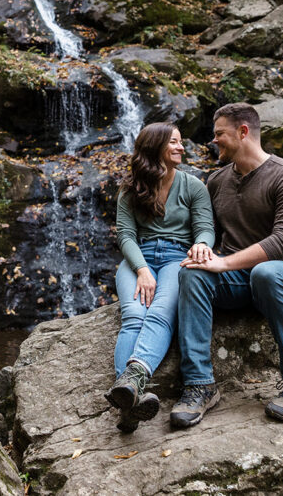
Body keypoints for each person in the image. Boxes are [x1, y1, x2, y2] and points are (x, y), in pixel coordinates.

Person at [172, 102, 283, 429]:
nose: (214, 141)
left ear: (243, 132)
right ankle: (199, 385)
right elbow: (205, 229)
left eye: (219, 134)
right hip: (239, 280)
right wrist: (201, 247)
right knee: (192, 273)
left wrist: (223, 263)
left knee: (268, 273)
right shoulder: (216, 181)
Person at [107, 122, 215, 432]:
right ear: (156, 148)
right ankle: (128, 400)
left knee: (159, 315)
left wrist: (202, 245)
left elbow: (205, 228)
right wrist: (141, 270)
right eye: (175, 143)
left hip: (176, 259)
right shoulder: (130, 188)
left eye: (181, 143)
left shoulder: (194, 186)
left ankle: (130, 387)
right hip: (138, 259)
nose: (182, 148)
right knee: (133, 316)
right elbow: (126, 235)